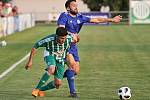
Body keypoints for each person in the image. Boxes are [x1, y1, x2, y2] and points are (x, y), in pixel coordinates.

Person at [57, 0, 122, 98]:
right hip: (63, 44)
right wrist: (71, 35)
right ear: (68, 8)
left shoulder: (80, 17)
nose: (75, 7)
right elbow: (60, 29)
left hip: (73, 46)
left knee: (76, 71)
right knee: (73, 65)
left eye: (76, 5)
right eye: (73, 5)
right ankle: (73, 93)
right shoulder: (64, 15)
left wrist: (111, 20)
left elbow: (96, 20)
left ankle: (57, 75)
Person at [25, 27, 78, 97]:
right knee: (51, 69)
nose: (63, 40)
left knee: (57, 84)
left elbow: (76, 38)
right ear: (57, 36)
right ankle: (36, 89)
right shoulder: (49, 39)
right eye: (61, 38)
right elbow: (35, 46)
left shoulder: (68, 38)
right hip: (50, 54)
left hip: (61, 58)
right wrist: (30, 61)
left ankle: (40, 89)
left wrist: (76, 39)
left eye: (64, 38)